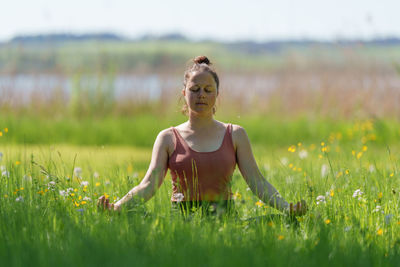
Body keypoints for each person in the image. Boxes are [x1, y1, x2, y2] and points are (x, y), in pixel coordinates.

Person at [98, 56, 307, 217]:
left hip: (225, 222)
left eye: (208, 89)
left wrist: (287, 208)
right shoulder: (167, 138)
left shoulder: (235, 135)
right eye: (195, 89)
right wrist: (117, 207)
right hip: (182, 224)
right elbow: (148, 185)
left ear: (217, 94)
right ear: (184, 93)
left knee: (282, 223)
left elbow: (257, 182)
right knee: (133, 219)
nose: (202, 95)